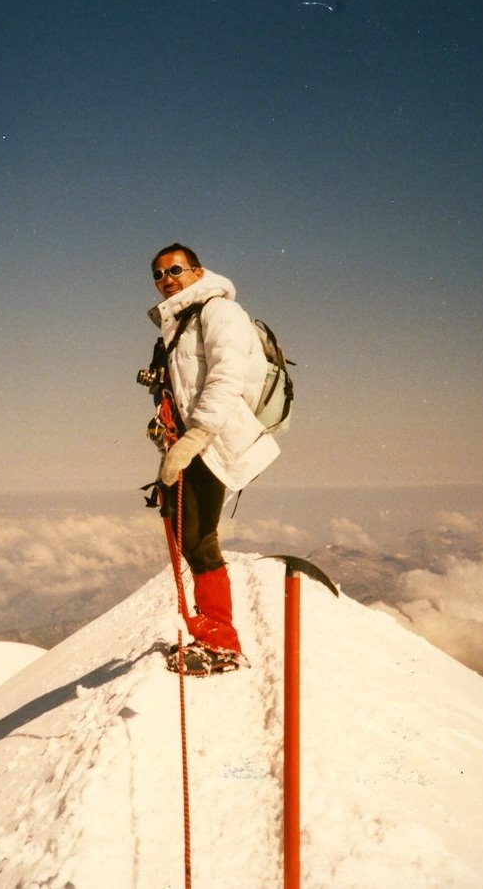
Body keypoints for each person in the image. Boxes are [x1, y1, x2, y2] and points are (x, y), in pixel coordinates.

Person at [145, 243, 279, 673]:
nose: (167, 278)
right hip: (194, 443)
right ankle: (212, 632)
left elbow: (226, 377)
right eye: (159, 273)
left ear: (198, 273)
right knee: (189, 533)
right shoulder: (180, 322)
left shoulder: (219, 312)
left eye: (176, 269)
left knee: (199, 538)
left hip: (211, 441)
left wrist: (193, 437)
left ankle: (222, 642)